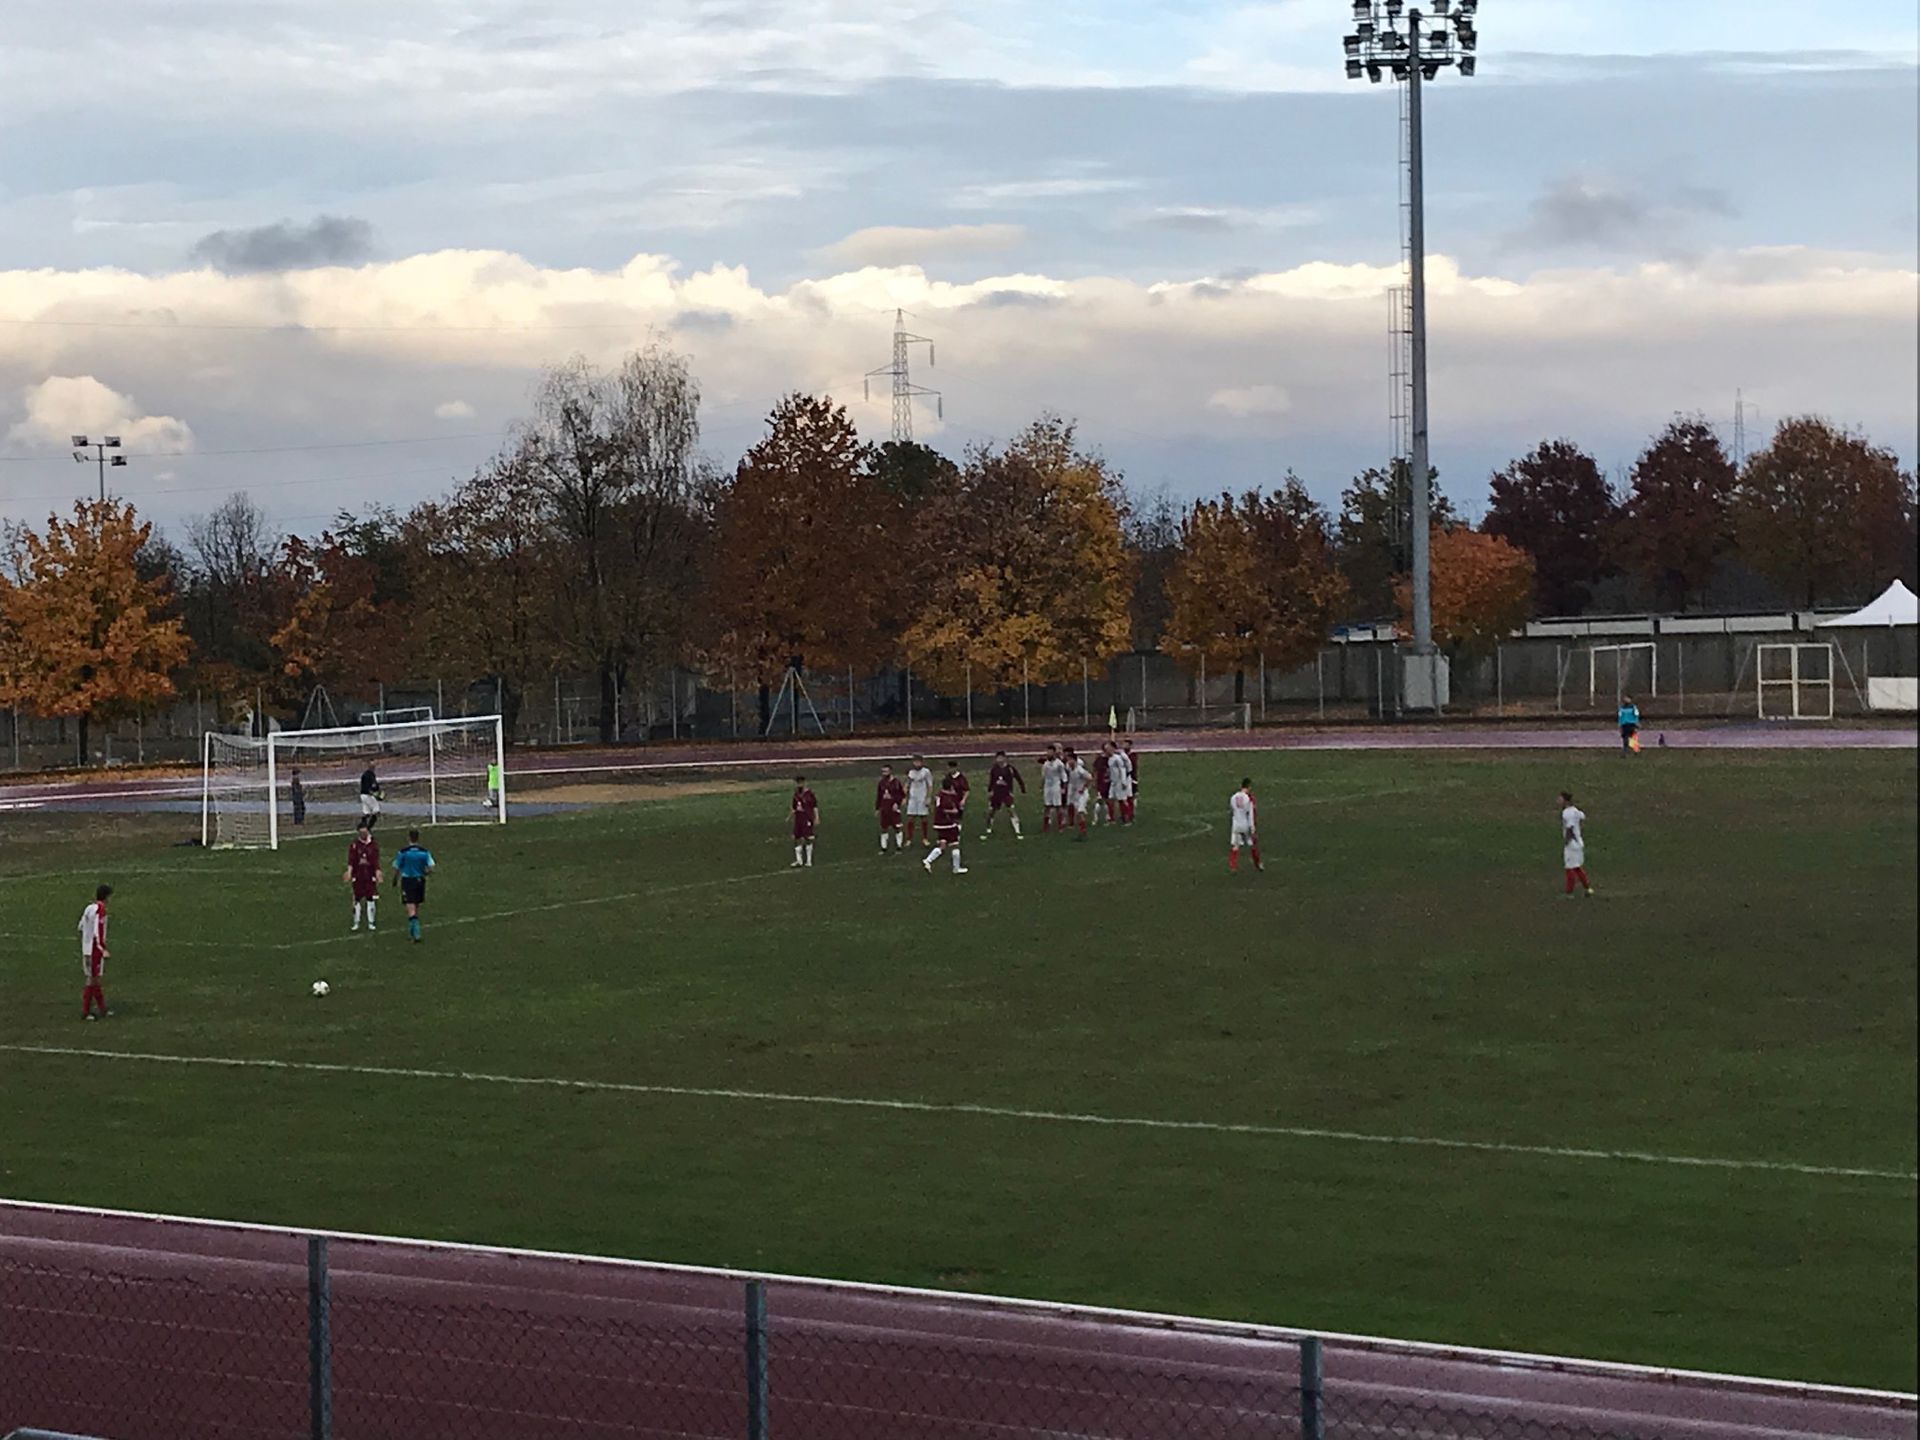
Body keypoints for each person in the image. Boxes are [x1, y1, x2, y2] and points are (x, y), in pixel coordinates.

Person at [392, 830, 436, 942]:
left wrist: (395, 880)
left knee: (410, 908)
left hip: (408, 881)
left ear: (409, 838)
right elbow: (431, 867)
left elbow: (397, 867)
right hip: (420, 880)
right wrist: (425, 873)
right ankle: (412, 933)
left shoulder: (403, 852)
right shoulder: (424, 852)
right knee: (416, 906)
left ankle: (416, 934)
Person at [78, 883, 112, 1020]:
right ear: (107, 897)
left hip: (87, 948)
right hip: (94, 950)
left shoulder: (89, 908)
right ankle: (85, 1012)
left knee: (95, 979)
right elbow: (98, 930)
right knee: (92, 980)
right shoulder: (100, 910)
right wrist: (101, 948)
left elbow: (80, 926)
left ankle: (102, 1009)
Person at [922, 778, 969, 875]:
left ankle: (928, 860)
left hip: (939, 824)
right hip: (948, 824)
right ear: (951, 786)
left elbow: (937, 807)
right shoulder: (948, 797)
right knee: (955, 844)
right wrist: (954, 811)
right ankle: (956, 868)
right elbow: (945, 809)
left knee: (942, 844)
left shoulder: (939, 795)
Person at [344, 822, 380, 932]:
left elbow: (375, 861)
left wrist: (377, 872)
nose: (363, 834)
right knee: (357, 899)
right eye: (361, 833)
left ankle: (371, 922)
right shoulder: (355, 845)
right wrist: (349, 872)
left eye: (365, 832)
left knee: (370, 898)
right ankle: (356, 922)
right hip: (358, 875)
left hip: (369, 875)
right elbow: (351, 860)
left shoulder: (373, 845)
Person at [982, 751, 1026, 839]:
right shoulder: (994, 769)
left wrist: (1022, 789)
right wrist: (990, 791)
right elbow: (992, 780)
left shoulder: (1010, 769)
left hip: (1007, 793)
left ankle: (1017, 831)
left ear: (1004, 758)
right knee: (991, 811)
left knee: (1011, 810)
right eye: (997, 758)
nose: (999, 760)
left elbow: (1018, 778)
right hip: (996, 793)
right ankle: (988, 829)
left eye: (1000, 758)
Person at [1561, 790, 1593, 897]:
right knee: (1577, 867)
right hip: (1579, 843)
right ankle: (1588, 889)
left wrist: (1567, 841)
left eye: (1560, 798)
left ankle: (1569, 893)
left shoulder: (1567, 812)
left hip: (1572, 844)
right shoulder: (1575, 811)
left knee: (1569, 868)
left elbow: (1570, 827)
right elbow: (1582, 816)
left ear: (1565, 800)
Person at [1228, 778, 1261, 873]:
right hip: (1245, 825)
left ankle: (1233, 866)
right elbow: (1250, 814)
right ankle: (1257, 864)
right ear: (1249, 786)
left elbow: (1233, 810)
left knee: (1235, 846)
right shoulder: (1248, 799)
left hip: (1236, 824)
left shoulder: (1233, 797)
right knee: (1252, 844)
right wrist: (1253, 828)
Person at [903, 756, 935, 847]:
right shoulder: (911, 772)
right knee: (910, 818)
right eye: (915, 762)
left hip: (922, 797)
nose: (917, 764)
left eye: (918, 762)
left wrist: (928, 797)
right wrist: (904, 795)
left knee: (923, 818)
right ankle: (909, 839)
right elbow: (907, 783)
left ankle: (925, 838)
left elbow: (930, 785)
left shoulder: (926, 772)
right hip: (913, 798)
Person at [874, 765, 906, 853]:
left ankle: (899, 847)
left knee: (897, 827)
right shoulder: (881, 783)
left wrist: (897, 804)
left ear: (890, 771)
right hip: (884, 808)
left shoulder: (896, 782)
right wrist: (877, 808)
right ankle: (884, 848)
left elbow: (902, 794)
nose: (884, 773)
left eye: (886, 771)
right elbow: (879, 796)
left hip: (893, 809)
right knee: (884, 828)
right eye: (883, 772)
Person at [790, 775, 819, 869]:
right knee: (797, 838)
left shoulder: (809, 794)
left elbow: (815, 806)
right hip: (798, 819)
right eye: (797, 783)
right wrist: (790, 816)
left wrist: (816, 818)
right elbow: (794, 807)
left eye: (800, 782)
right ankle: (799, 860)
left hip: (807, 818)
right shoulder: (796, 794)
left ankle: (809, 860)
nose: (799, 784)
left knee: (808, 838)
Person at [1039, 744, 1068, 834]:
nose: (1048, 753)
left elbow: (1063, 776)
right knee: (1047, 806)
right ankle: (1045, 826)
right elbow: (1043, 776)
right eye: (1047, 752)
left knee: (1057, 805)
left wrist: (1063, 787)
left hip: (1056, 785)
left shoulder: (1059, 764)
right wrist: (1041, 786)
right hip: (1048, 786)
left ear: (1054, 753)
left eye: (1050, 752)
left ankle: (1060, 826)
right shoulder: (1046, 764)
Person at [1065, 748, 1093, 839]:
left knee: (1080, 812)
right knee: (1077, 812)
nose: (1069, 762)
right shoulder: (1069, 768)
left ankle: (1083, 831)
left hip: (1082, 794)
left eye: (1070, 760)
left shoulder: (1080, 770)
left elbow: (1090, 778)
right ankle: (1081, 830)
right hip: (1075, 793)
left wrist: (1084, 788)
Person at [1108, 742, 1135, 825]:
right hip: (1113, 782)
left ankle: (1127, 818)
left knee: (1122, 800)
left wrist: (1124, 781)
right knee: (1110, 799)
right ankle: (1111, 819)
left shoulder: (1118, 758)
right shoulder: (1110, 758)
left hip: (1120, 781)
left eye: (1108, 748)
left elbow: (1123, 769)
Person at [1092, 743, 1113, 825]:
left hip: (1110, 782)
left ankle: (1108, 817)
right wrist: (1094, 781)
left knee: (1108, 800)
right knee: (1100, 800)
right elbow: (1095, 770)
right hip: (1101, 782)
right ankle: (1096, 818)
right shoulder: (1100, 759)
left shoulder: (1112, 759)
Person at [360, 764, 383, 829]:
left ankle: (361, 827)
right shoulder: (369, 775)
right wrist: (376, 794)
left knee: (366, 813)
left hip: (363, 795)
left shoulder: (367, 775)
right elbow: (371, 787)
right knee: (376, 810)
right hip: (367, 795)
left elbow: (374, 786)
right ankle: (368, 828)